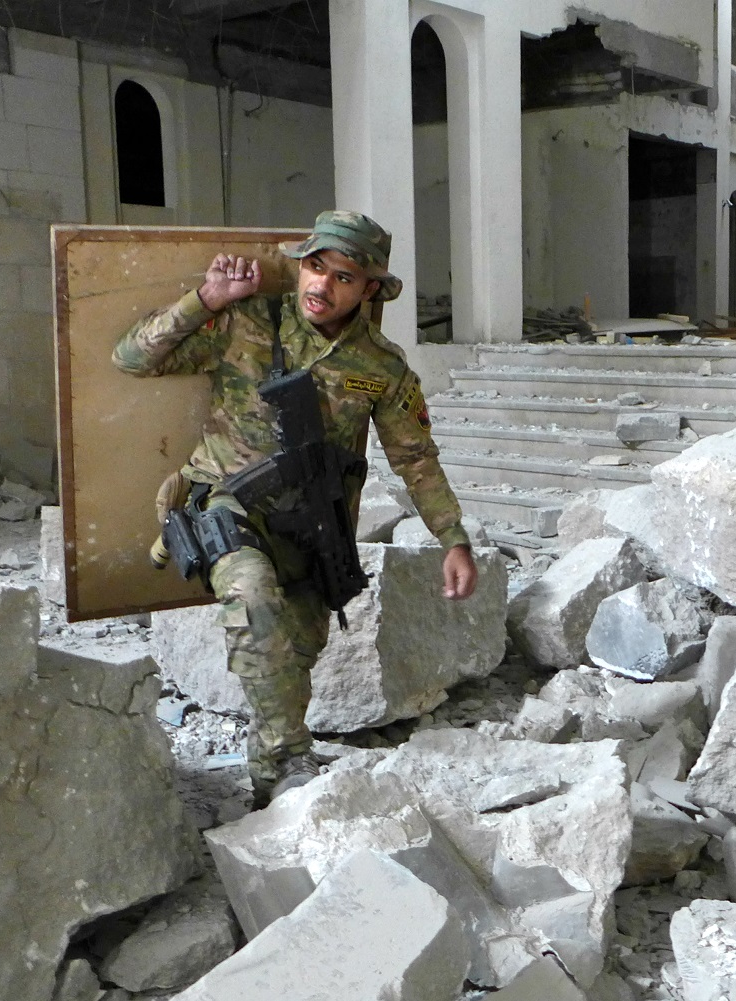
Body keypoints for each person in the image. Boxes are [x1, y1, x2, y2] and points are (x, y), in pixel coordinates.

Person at [114, 209, 478, 806]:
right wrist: (206, 298)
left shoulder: (381, 368)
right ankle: (289, 759)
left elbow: (415, 457)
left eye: (342, 277)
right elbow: (131, 358)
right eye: (315, 267)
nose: (322, 285)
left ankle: (272, 784)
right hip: (229, 506)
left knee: (294, 656)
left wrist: (452, 539)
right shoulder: (246, 323)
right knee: (254, 599)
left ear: (369, 290)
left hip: (312, 529)